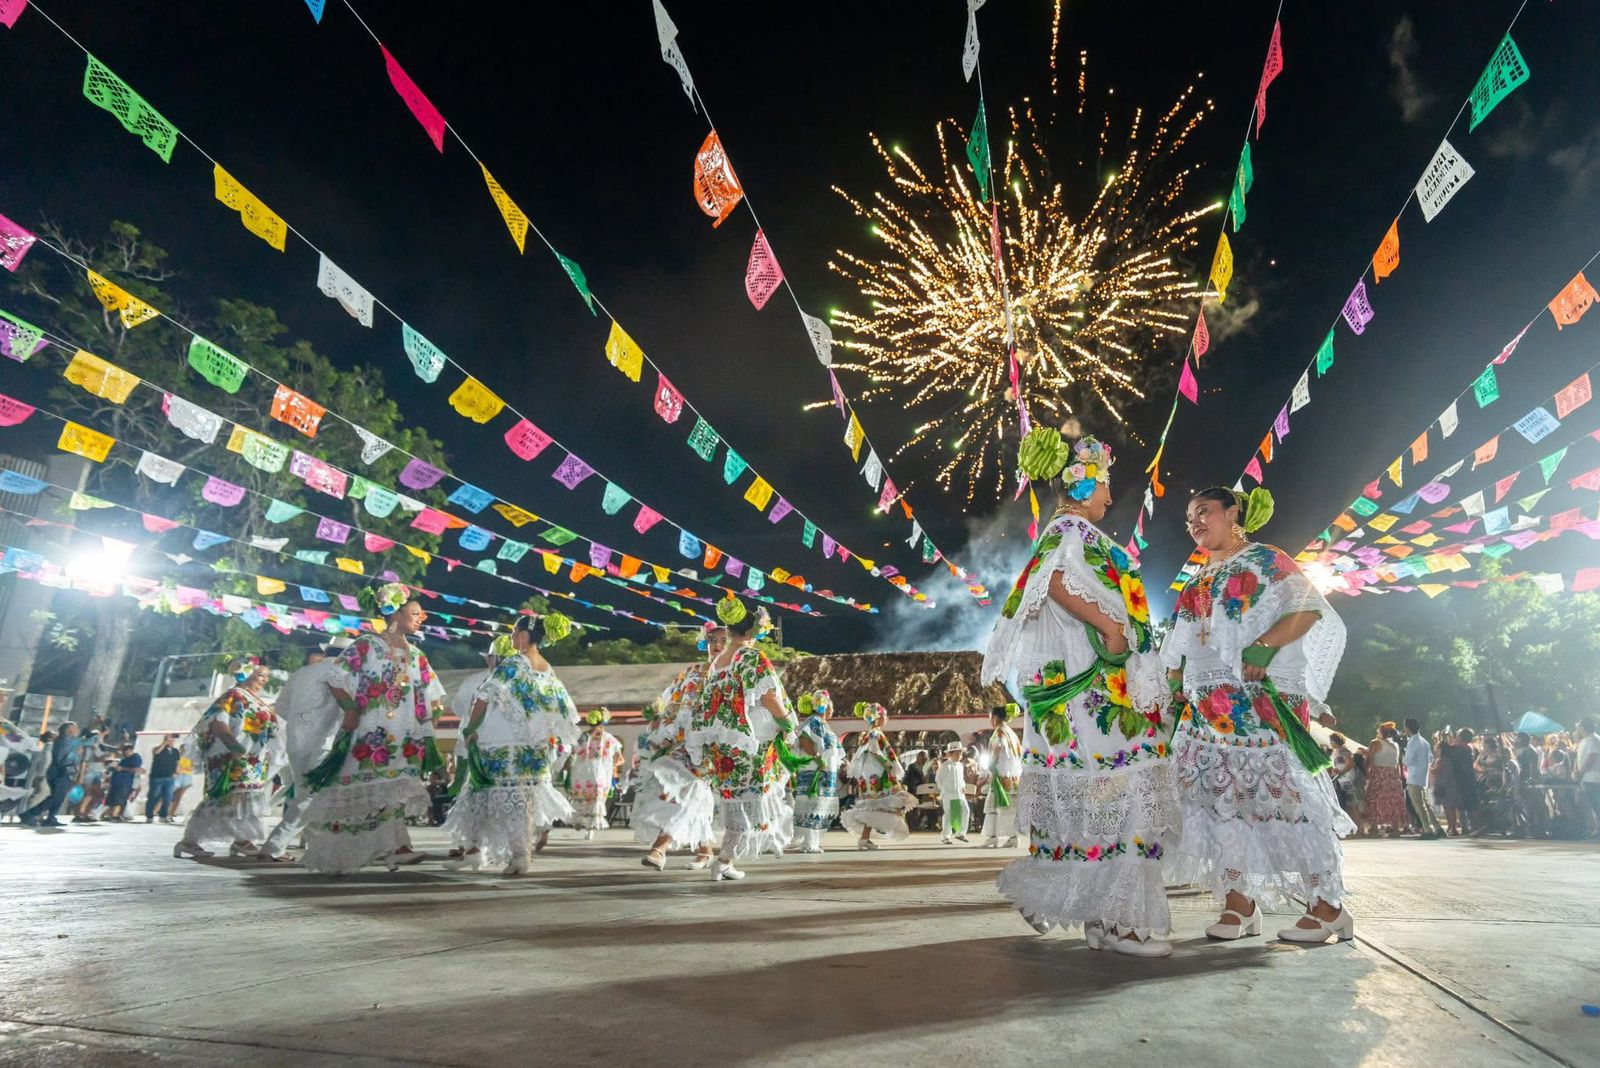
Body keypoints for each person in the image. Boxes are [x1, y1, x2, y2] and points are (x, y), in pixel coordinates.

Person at [984, 430, 1175, 956]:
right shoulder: (1072, 532)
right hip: (1090, 694)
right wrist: (1109, 626)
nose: (1110, 500)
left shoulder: (1061, 532)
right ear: (1083, 481)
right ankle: (1125, 922)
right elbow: (1054, 581)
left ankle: (1102, 918)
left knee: (1093, 797)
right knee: (1121, 789)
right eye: (1106, 486)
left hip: (1075, 696)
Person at [1164, 485, 1356, 944]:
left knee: (1289, 802)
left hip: (1262, 705)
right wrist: (1171, 686)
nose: (1195, 522)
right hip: (1208, 713)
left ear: (1233, 514)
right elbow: (1179, 647)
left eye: (1204, 511)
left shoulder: (1266, 560)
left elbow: (1308, 610)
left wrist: (1265, 647)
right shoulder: (1195, 580)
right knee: (1218, 804)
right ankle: (1239, 905)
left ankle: (1329, 908)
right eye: (1190, 516)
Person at [298, 584, 446, 874]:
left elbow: (434, 694)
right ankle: (342, 854)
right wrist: (351, 710)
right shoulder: (367, 645)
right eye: (414, 613)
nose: (421, 618)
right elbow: (334, 676)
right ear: (394, 614)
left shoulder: (417, 655)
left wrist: (428, 724)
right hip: (371, 733)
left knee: (392, 791)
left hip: (404, 734)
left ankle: (397, 848)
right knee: (363, 790)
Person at [444, 614, 580, 874]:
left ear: (524, 636)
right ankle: (511, 855)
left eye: (514, 633)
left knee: (484, 795)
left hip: (501, 742)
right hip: (533, 747)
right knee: (519, 802)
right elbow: (560, 707)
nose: (511, 638)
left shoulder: (516, 662)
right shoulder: (547, 668)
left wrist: (471, 729)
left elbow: (485, 694)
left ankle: (491, 852)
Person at [685, 599, 798, 881]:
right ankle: (724, 860)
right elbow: (768, 696)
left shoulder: (717, 663)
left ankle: (724, 861)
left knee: (735, 801)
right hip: (751, 741)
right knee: (753, 801)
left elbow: (708, 706)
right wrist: (787, 723)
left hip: (724, 746)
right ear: (752, 631)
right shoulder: (751, 657)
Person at [174, 660, 284, 859]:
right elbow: (217, 723)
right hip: (230, 756)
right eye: (260, 675)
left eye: (266, 677)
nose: (264, 680)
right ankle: (189, 842)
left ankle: (241, 841)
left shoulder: (258, 701)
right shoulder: (234, 695)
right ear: (249, 674)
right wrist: (234, 747)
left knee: (244, 797)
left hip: (254, 759)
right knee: (225, 797)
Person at [257, 643, 347, 861]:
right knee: (311, 795)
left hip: (295, 741)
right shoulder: (341, 673)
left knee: (306, 795)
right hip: (324, 741)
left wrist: (302, 722)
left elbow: (281, 708)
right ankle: (274, 845)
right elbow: (349, 707)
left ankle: (318, 847)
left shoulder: (301, 673)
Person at [840, 702, 915, 850]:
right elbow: (875, 751)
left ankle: (865, 839)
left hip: (871, 776)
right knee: (889, 802)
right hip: (877, 776)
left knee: (873, 807)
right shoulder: (875, 733)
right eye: (884, 715)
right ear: (877, 717)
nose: (887, 718)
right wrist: (888, 765)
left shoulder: (869, 734)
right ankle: (868, 837)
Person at [787, 688, 842, 854]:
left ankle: (812, 841)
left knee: (819, 805)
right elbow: (805, 740)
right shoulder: (813, 722)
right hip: (815, 769)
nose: (833, 709)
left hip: (825, 771)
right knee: (814, 805)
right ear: (824, 706)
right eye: (831, 706)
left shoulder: (823, 724)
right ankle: (809, 843)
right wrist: (818, 758)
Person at [569, 708, 623, 839]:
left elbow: (573, 753)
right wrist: (611, 765)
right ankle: (588, 827)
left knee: (586, 796)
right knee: (593, 798)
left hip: (585, 770)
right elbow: (620, 759)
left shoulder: (584, 737)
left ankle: (582, 822)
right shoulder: (607, 738)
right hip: (598, 771)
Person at [21, 722, 82, 827]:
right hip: (61, 772)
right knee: (56, 797)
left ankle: (51, 817)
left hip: (64, 772)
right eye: (75, 728)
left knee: (60, 797)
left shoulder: (68, 741)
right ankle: (30, 814)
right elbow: (64, 759)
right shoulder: (66, 741)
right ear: (69, 730)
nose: (78, 730)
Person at [980, 704, 1023, 848]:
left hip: (1001, 776)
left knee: (995, 807)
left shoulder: (1000, 732)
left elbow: (998, 747)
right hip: (1013, 777)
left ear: (996, 717)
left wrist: (991, 765)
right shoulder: (1011, 732)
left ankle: (994, 837)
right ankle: (1011, 837)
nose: (990, 720)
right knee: (1009, 809)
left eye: (990, 717)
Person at [1402, 718, 1443, 839]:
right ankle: (1438, 827)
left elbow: (1408, 760)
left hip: (1414, 777)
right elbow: (1430, 759)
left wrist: (1403, 755)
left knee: (1419, 805)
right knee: (1425, 803)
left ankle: (1427, 829)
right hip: (1423, 776)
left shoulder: (1412, 742)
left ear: (1407, 728)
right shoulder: (1425, 742)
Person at [1363, 723, 1405, 836]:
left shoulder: (1375, 743)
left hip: (1379, 773)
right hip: (1392, 775)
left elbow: (1369, 759)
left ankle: (1374, 828)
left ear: (1380, 732)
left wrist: (1365, 772)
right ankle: (1395, 828)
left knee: (1375, 799)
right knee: (1393, 801)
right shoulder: (1395, 745)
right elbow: (1397, 763)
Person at [935, 742, 971, 845]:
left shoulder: (960, 765)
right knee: (949, 814)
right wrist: (945, 789)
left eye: (960, 753)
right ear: (950, 754)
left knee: (965, 810)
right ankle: (945, 836)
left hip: (960, 793)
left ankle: (961, 833)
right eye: (956, 753)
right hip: (949, 794)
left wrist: (963, 786)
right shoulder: (945, 766)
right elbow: (939, 779)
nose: (959, 756)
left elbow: (961, 778)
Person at [1330, 734, 1365, 832]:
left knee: (1353, 804)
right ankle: (1354, 828)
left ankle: (1359, 828)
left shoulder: (1343, 751)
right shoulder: (1335, 752)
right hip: (1341, 779)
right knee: (1349, 804)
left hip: (1348, 779)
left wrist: (1341, 772)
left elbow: (1350, 764)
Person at [145, 734, 182, 824]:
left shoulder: (175, 751)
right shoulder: (158, 749)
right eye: (169, 740)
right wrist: (164, 743)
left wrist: (177, 772)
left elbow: (177, 763)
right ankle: (149, 816)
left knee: (167, 798)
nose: (171, 742)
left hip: (169, 778)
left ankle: (163, 815)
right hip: (157, 777)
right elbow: (156, 752)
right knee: (153, 797)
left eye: (173, 740)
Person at [102, 744, 143, 821]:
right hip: (116, 782)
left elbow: (136, 769)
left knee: (119, 800)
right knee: (113, 799)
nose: (124, 753)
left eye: (125, 751)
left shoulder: (135, 758)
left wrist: (122, 768)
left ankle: (115, 815)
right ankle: (110, 815)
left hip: (125, 782)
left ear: (130, 750)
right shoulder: (125, 759)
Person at [1574, 716, 1600, 838]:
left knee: (1596, 804)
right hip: (1585, 778)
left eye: (1579, 726)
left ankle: (1597, 830)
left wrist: (1581, 771)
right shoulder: (1584, 740)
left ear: (1584, 727)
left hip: (1593, 778)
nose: (1577, 728)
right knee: (1586, 803)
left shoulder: (1593, 740)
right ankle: (1593, 828)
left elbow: (1592, 757)